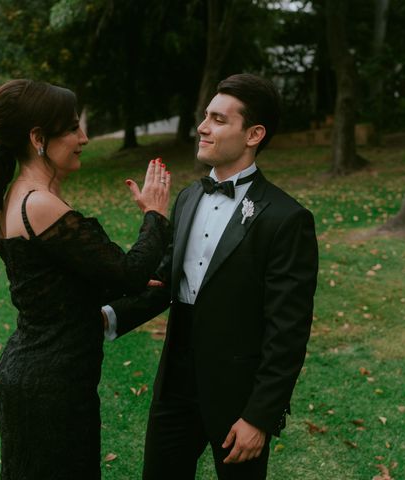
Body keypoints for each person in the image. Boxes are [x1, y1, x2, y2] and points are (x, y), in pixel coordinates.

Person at [103, 73, 319, 479]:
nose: (202, 127)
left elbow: (288, 331)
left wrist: (260, 417)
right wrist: (106, 316)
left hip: (237, 396)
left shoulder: (286, 219)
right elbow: (166, 283)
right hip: (175, 387)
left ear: (253, 133)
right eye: (206, 116)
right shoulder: (187, 198)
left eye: (219, 120)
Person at [0, 79, 172, 479]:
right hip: (50, 386)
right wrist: (155, 214)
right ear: (38, 138)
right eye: (73, 128)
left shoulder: (20, 197)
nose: (84, 137)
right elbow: (129, 272)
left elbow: (61, 283)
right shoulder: (38, 203)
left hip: (38, 375)